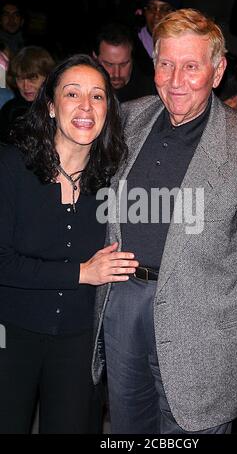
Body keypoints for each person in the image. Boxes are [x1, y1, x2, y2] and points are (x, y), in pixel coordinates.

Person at [92, 9, 237, 434]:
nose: (176, 80)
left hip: (202, 330)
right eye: (166, 64)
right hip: (123, 311)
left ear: (217, 72)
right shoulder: (128, 118)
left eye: (191, 67)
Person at [0, 54, 138, 434]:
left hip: (78, 342)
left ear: (108, 110)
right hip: (10, 334)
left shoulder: (114, 183)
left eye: (97, 97)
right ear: (50, 105)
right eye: (72, 93)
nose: (85, 106)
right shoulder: (12, 167)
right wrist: (82, 272)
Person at [0, 46, 55, 144]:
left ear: (47, 77)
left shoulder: (60, 106)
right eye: (20, 79)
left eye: (32, 78)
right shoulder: (10, 110)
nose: (25, 86)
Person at [93, 22, 156, 102]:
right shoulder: (82, 89)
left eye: (123, 64)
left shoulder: (150, 95)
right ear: (95, 58)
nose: (116, 74)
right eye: (109, 64)